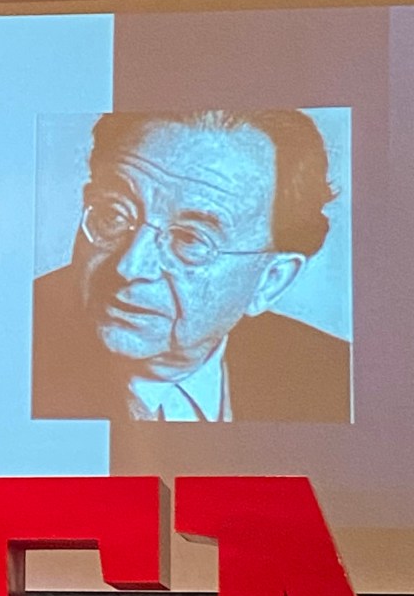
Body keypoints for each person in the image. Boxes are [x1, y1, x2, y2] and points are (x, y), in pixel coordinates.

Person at [32, 109, 351, 423]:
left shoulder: (335, 380)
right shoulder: (16, 344)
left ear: (270, 280)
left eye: (190, 240)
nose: (130, 267)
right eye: (114, 215)